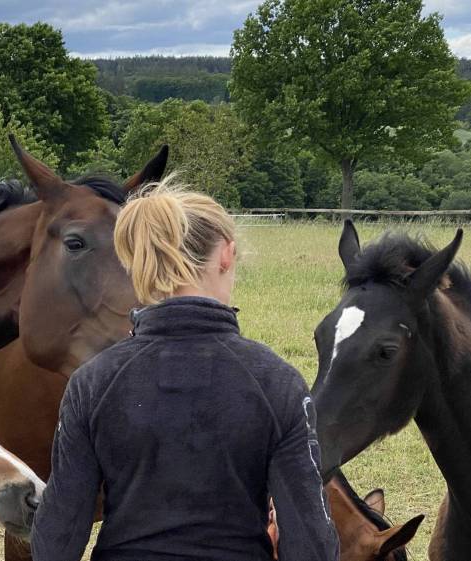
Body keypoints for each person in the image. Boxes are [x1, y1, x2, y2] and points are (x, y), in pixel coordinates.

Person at [30, 176, 339, 561]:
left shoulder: (92, 383)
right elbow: (312, 546)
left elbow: (56, 541)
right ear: (226, 254)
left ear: (135, 261)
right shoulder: (278, 382)